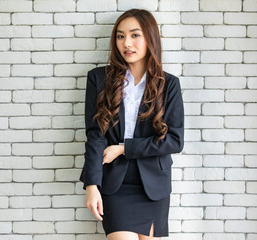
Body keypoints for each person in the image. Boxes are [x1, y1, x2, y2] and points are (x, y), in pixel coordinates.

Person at [79, 9, 184, 240]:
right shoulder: (98, 79)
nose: (127, 43)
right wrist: (91, 185)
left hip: (153, 186)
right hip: (115, 184)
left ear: (150, 38)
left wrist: (123, 148)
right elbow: (95, 135)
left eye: (135, 35)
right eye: (120, 36)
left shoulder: (169, 84)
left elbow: (174, 141)